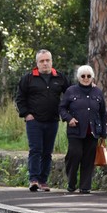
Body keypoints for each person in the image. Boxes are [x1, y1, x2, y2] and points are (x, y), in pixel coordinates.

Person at [15, 49, 70, 192]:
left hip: (52, 120)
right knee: (35, 150)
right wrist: (26, 114)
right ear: (37, 63)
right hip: (34, 121)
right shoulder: (28, 78)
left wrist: (89, 88)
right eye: (42, 61)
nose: (45, 63)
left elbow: (72, 94)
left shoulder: (60, 78)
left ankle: (43, 181)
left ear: (51, 61)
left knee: (47, 152)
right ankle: (33, 180)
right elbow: (20, 98)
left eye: (47, 60)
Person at [59, 64, 107, 194]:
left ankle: (85, 186)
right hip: (75, 131)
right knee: (75, 154)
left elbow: (103, 113)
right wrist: (69, 118)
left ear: (92, 77)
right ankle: (71, 182)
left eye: (88, 76)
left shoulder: (97, 92)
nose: (86, 78)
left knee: (88, 158)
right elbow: (62, 108)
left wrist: (104, 132)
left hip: (92, 131)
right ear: (78, 77)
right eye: (83, 76)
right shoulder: (71, 91)